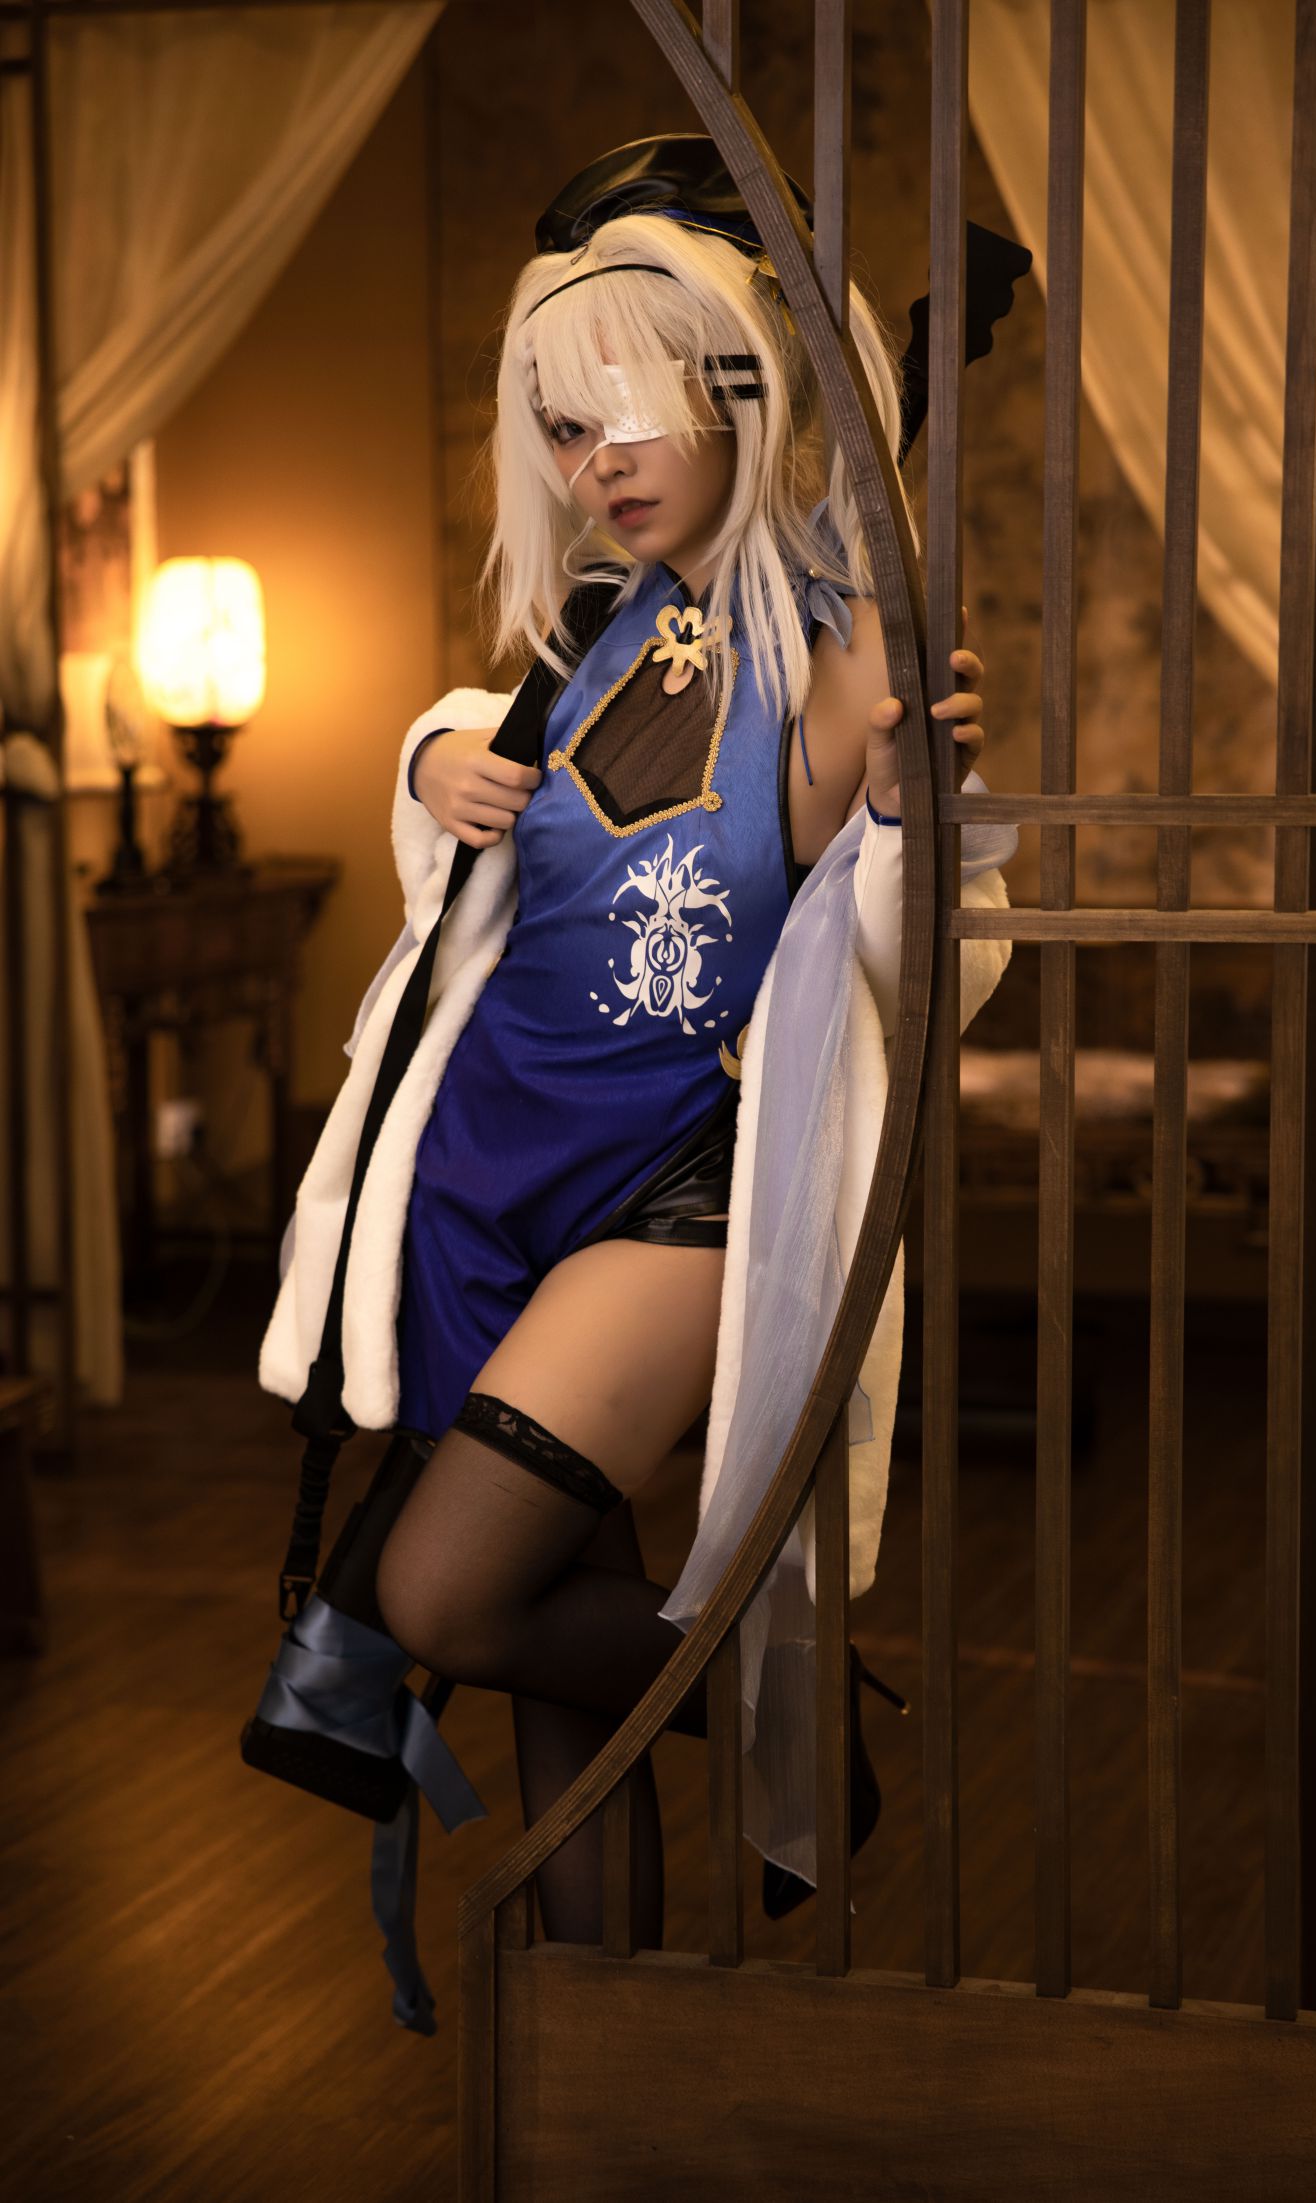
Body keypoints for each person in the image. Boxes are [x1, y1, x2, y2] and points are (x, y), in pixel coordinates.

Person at [252, 136, 1025, 2028]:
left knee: (442, 1601)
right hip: (483, 1185)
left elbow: (907, 945)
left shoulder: (850, 649)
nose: (595, 459)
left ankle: (777, 1682)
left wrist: (920, 808)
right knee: (545, 1702)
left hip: (672, 1187)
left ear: (740, 389)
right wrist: (428, 762)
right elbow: (488, 863)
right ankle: (602, 2083)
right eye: (561, 425)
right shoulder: (583, 634)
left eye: (630, 411)